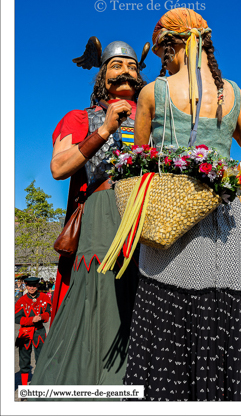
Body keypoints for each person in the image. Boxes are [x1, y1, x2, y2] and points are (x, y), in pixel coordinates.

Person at [123, 8, 241, 401]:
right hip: (226, 227)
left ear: (175, 45)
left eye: (163, 52)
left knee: (165, 333)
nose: (162, 60)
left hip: (171, 232)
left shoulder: (152, 92)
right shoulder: (234, 93)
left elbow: (139, 165)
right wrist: (220, 180)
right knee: (229, 331)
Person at [30, 38, 149, 393]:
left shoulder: (153, 118)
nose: (126, 71)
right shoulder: (80, 117)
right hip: (102, 212)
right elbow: (59, 166)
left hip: (147, 214)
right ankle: (93, 387)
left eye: (132, 66)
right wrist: (105, 129)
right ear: (101, 77)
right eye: (116, 65)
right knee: (100, 296)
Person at [15, 277, 51, 387]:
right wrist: (31, 320)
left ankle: (39, 385)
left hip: (39, 332)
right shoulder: (21, 300)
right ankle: (25, 388)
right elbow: (16, 318)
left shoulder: (44, 297)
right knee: (24, 360)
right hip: (25, 332)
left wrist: (41, 316)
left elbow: (48, 313)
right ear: (26, 286)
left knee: (41, 358)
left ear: (38, 286)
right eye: (29, 286)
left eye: (34, 286)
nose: (31, 288)